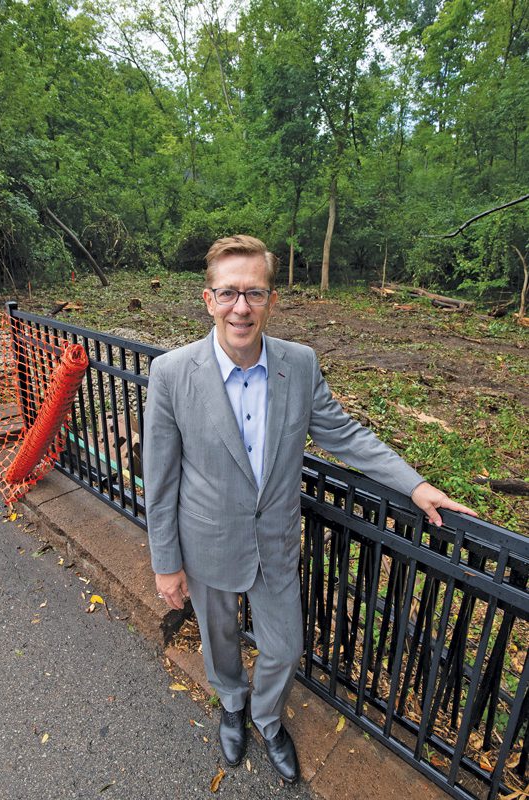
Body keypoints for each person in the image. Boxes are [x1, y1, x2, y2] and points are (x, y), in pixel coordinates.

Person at [143, 234, 476, 784]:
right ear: (209, 300)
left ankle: (267, 717)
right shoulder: (173, 374)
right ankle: (231, 704)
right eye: (229, 294)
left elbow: (344, 434)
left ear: (271, 299)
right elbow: (161, 478)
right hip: (206, 539)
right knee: (219, 638)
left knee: (285, 645)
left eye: (254, 292)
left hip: (273, 541)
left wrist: (414, 486)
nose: (241, 307)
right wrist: (166, 561)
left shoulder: (299, 365)